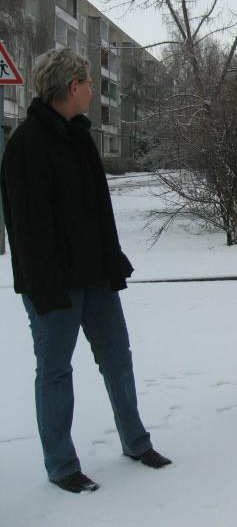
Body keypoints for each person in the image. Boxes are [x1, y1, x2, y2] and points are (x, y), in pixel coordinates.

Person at [0, 47, 171, 494]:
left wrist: (112, 261)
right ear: (72, 87)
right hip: (53, 285)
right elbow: (26, 228)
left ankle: (136, 442)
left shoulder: (80, 136)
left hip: (96, 278)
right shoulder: (26, 146)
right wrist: (43, 288)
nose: (93, 92)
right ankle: (61, 466)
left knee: (118, 358)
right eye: (89, 84)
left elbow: (98, 213)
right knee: (55, 371)